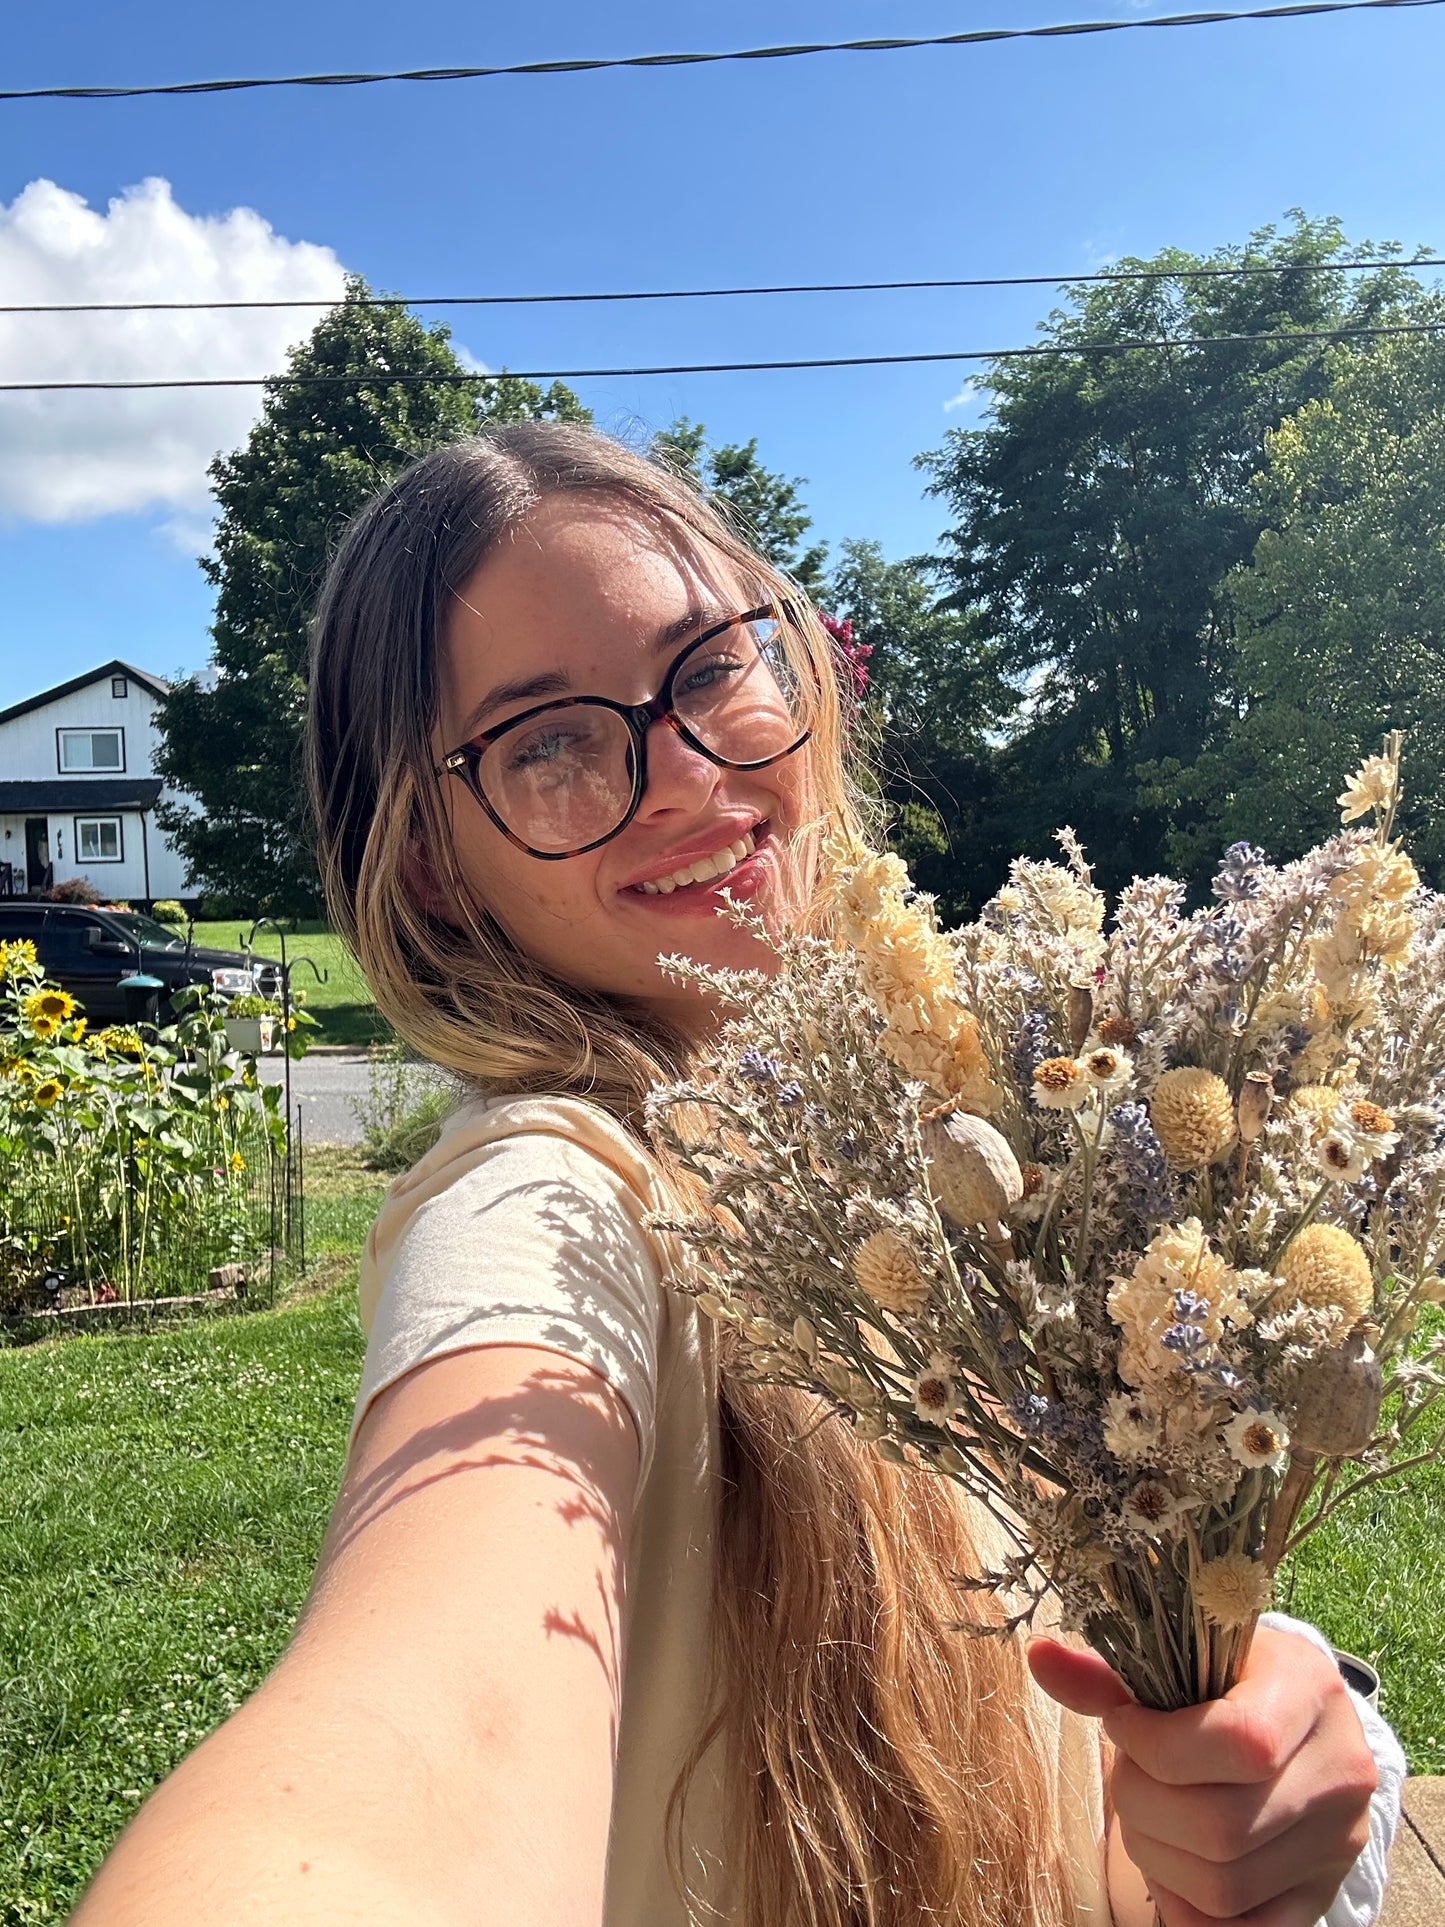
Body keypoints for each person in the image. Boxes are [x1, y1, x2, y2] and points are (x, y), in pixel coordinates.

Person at [71, 423, 1404, 1927]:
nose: (691, 777)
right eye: (549, 744)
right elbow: (428, 1727)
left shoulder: (949, 1159)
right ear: (436, 861)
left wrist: (1231, 1802)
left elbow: (1057, 1789)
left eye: (710, 667)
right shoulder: (549, 1196)